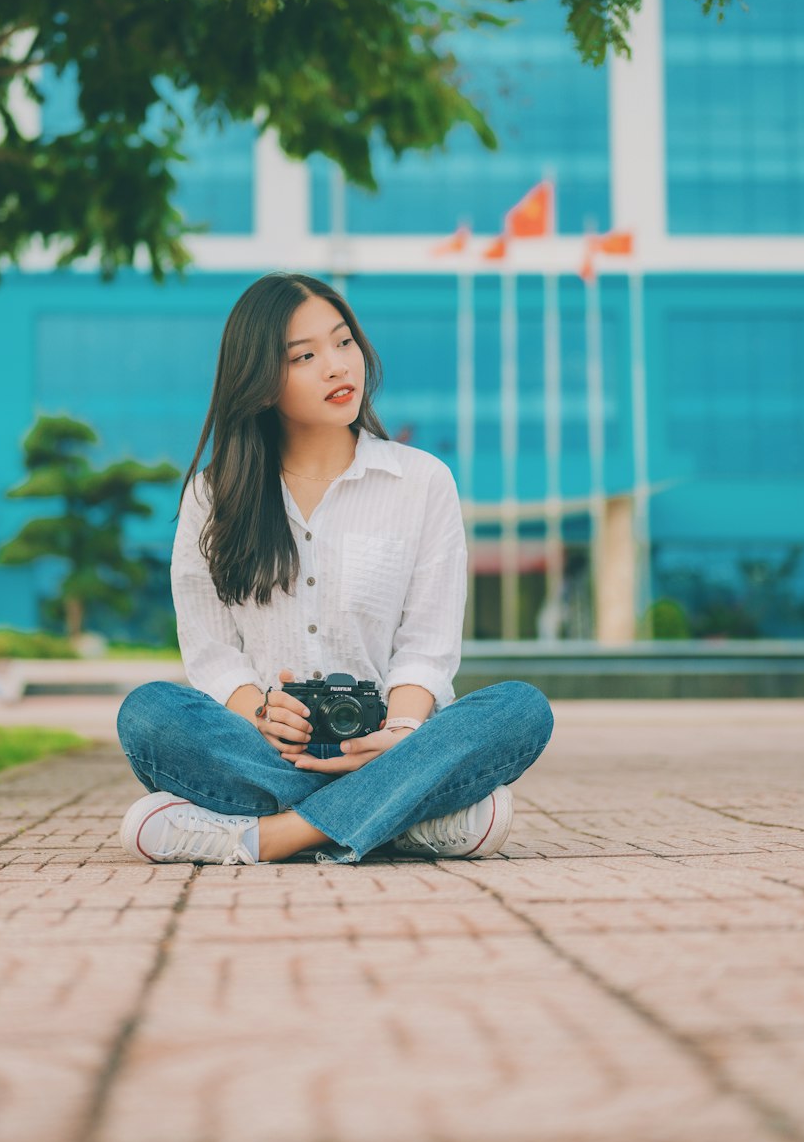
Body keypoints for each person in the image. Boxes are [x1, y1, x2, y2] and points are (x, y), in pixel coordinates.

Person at [116, 273, 553, 866]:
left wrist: (398, 734)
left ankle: (272, 835)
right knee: (149, 714)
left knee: (519, 709)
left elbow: (427, 648)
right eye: (304, 355)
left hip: (392, 746)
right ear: (260, 380)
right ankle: (407, 821)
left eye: (343, 343)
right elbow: (211, 652)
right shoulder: (212, 497)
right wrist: (263, 713)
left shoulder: (423, 482)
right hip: (266, 751)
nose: (336, 366)